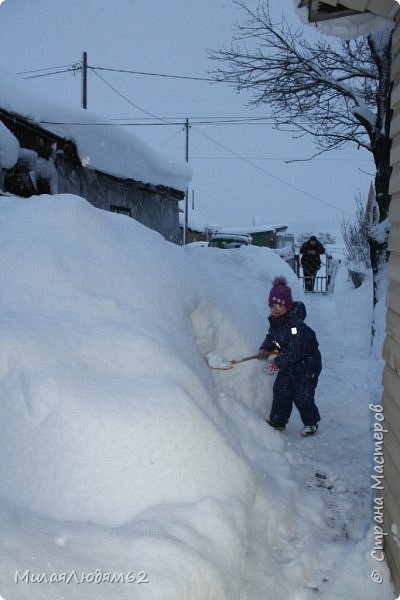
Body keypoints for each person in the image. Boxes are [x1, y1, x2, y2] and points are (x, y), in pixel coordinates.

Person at [258, 276, 321, 436]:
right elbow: (272, 336)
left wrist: (277, 363)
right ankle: (278, 421)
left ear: (288, 304)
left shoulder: (295, 325)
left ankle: (311, 422)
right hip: (288, 364)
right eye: (272, 305)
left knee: (302, 395)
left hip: (306, 364)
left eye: (279, 305)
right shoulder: (276, 321)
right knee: (281, 391)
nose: (276, 308)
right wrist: (266, 348)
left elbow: (296, 348)